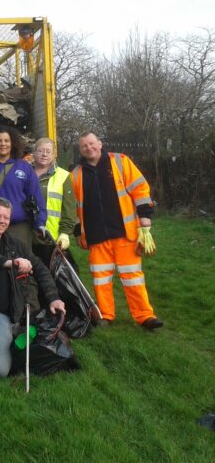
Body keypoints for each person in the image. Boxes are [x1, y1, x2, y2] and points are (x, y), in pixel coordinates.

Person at [0, 197, 66, 387]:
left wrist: (54, 298)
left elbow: (40, 268)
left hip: (3, 315)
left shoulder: (15, 244)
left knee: (1, 370)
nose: (2, 221)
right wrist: (9, 263)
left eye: (6, 217)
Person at [71, 132, 163, 329]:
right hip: (96, 236)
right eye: (84, 146)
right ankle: (105, 315)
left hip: (125, 232)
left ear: (100, 144)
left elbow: (140, 188)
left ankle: (145, 316)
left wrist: (145, 215)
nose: (89, 148)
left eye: (92, 143)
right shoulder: (76, 174)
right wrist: (78, 232)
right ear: (80, 150)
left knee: (133, 277)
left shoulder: (120, 161)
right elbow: (75, 208)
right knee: (101, 279)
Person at [31, 137, 77, 267]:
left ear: (54, 154)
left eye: (48, 151)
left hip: (51, 239)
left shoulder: (63, 176)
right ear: (34, 153)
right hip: (27, 237)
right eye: (40, 151)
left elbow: (69, 208)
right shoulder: (24, 174)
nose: (44, 154)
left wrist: (65, 233)